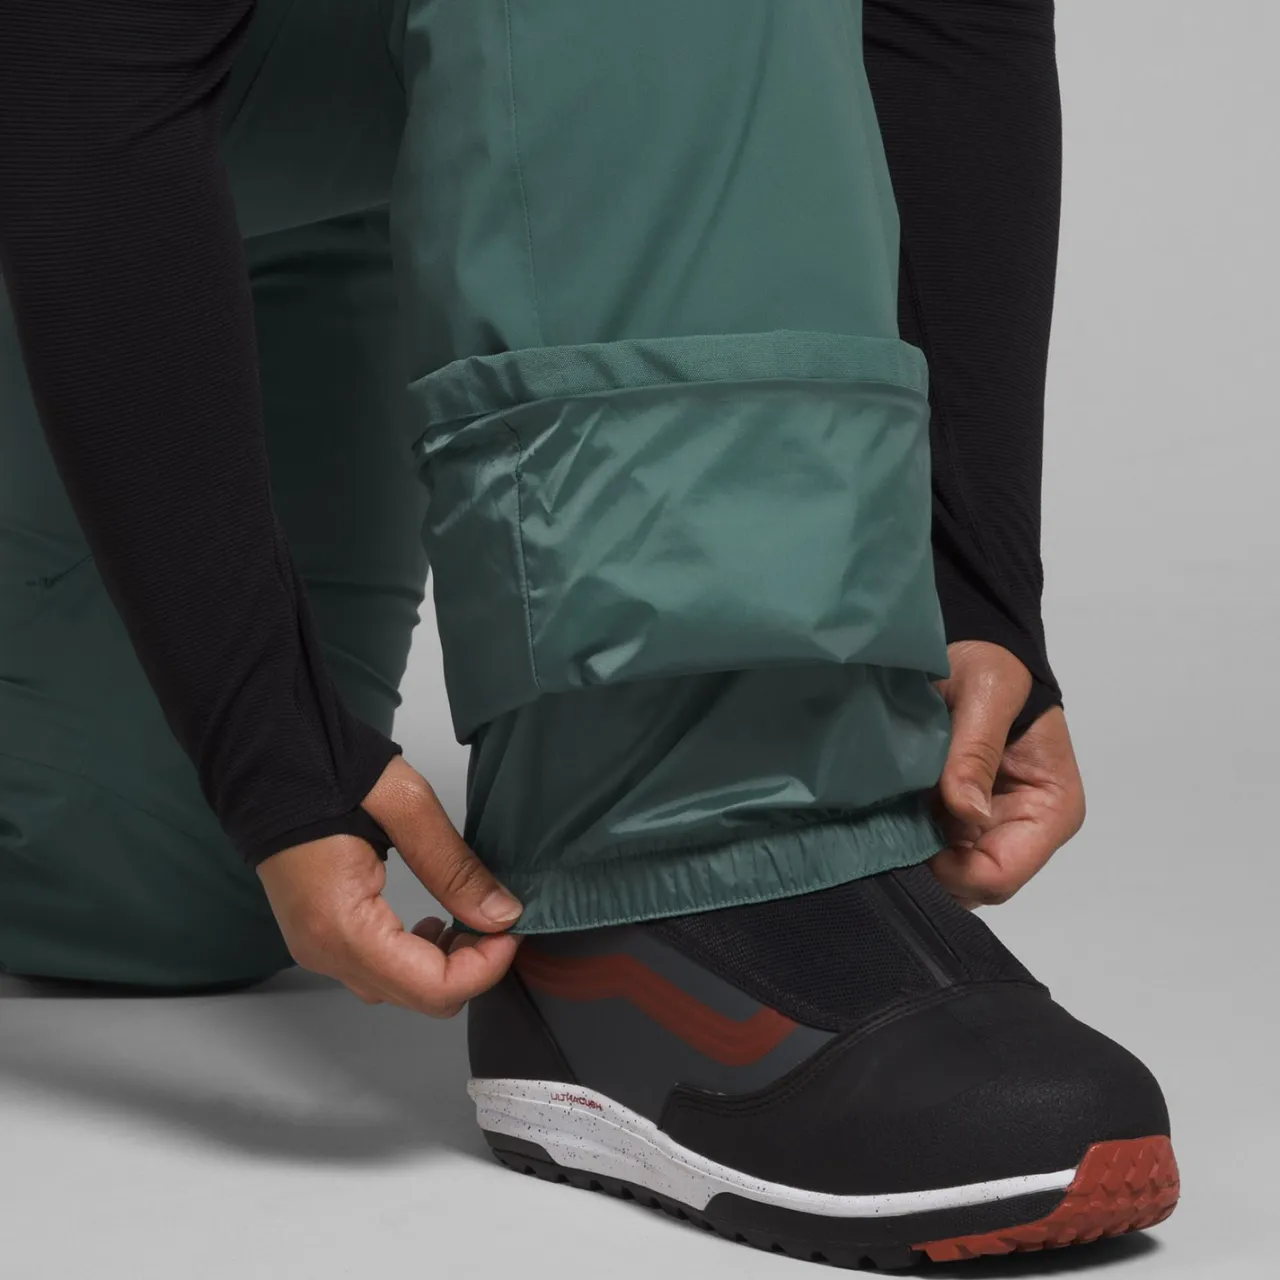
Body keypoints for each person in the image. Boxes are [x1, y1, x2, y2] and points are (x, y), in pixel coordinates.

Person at [0, 0, 1177, 1266]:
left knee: (144, 913)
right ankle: (679, 856)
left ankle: (682, 855)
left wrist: (972, 585)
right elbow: (79, 53)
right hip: (75, 81)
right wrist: (264, 742)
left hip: (266, 140)